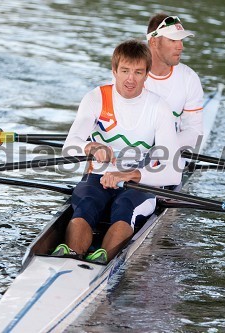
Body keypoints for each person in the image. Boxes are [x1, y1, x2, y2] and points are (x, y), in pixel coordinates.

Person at [55, 39, 182, 264]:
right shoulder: (96, 98)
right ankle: (72, 255)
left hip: (141, 183)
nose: (130, 79)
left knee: (125, 207)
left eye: (138, 72)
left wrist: (128, 175)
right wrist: (90, 146)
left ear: (146, 74)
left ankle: (103, 262)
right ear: (114, 71)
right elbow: (69, 146)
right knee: (86, 204)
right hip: (98, 177)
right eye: (124, 71)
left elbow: (173, 173)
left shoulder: (158, 108)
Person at [145, 13, 205, 150]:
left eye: (181, 40)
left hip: (168, 153)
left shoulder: (189, 78)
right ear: (153, 42)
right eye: (173, 40)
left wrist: (162, 147)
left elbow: (195, 132)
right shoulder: (130, 74)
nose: (180, 47)